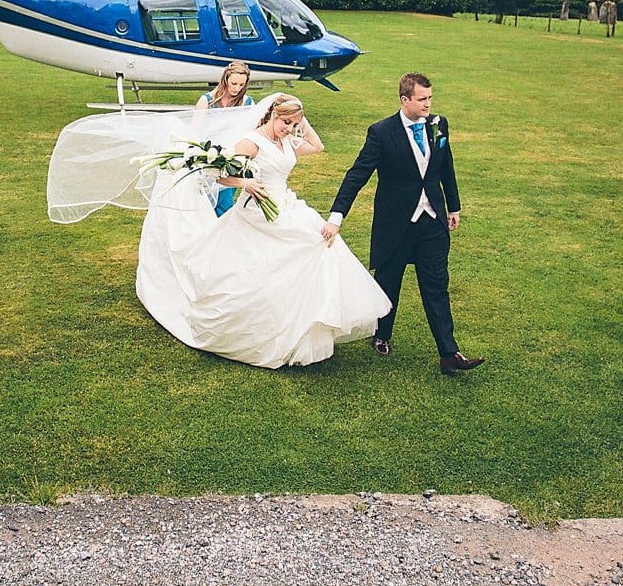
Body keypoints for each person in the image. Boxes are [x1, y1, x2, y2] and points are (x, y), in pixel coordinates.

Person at [133, 94, 391, 368]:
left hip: (286, 206)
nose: (289, 129)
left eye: (293, 124)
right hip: (257, 212)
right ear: (271, 115)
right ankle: (263, 328)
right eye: (285, 122)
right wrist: (245, 184)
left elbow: (317, 146)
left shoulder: (288, 140)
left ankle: (299, 324)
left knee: (319, 246)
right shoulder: (252, 142)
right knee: (271, 262)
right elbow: (215, 174)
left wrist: (300, 117)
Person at [322, 73, 483, 373]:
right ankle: (382, 334)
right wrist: (336, 216)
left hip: (432, 222)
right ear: (404, 100)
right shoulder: (382, 133)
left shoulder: (439, 124)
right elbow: (357, 175)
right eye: (422, 99)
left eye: (430, 98)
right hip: (396, 224)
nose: (428, 104)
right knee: (388, 283)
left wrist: (454, 205)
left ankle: (450, 353)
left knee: (436, 286)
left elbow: (445, 166)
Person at [194, 61, 255, 214]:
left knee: (224, 203)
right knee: (205, 203)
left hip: (233, 160)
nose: (237, 88)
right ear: (225, 79)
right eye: (234, 83)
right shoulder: (207, 100)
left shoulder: (247, 103)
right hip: (208, 158)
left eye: (241, 85)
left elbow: (252, 131)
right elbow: (196, 131)